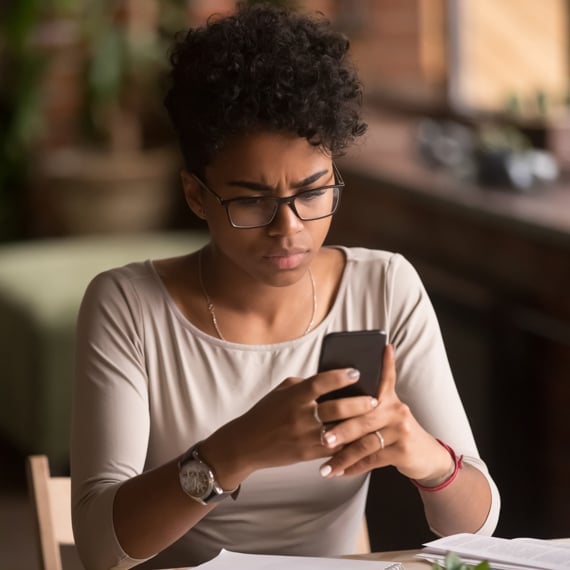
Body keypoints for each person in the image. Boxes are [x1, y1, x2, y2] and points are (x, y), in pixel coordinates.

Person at [70, 3, 500, 569]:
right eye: (252, 199)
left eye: (314, 192)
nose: (289, 228)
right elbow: (102, 550)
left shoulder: (384, 285)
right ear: (196, 195)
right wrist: (235, 451)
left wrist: (424, 455)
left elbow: (479, 531)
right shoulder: (128, 306)